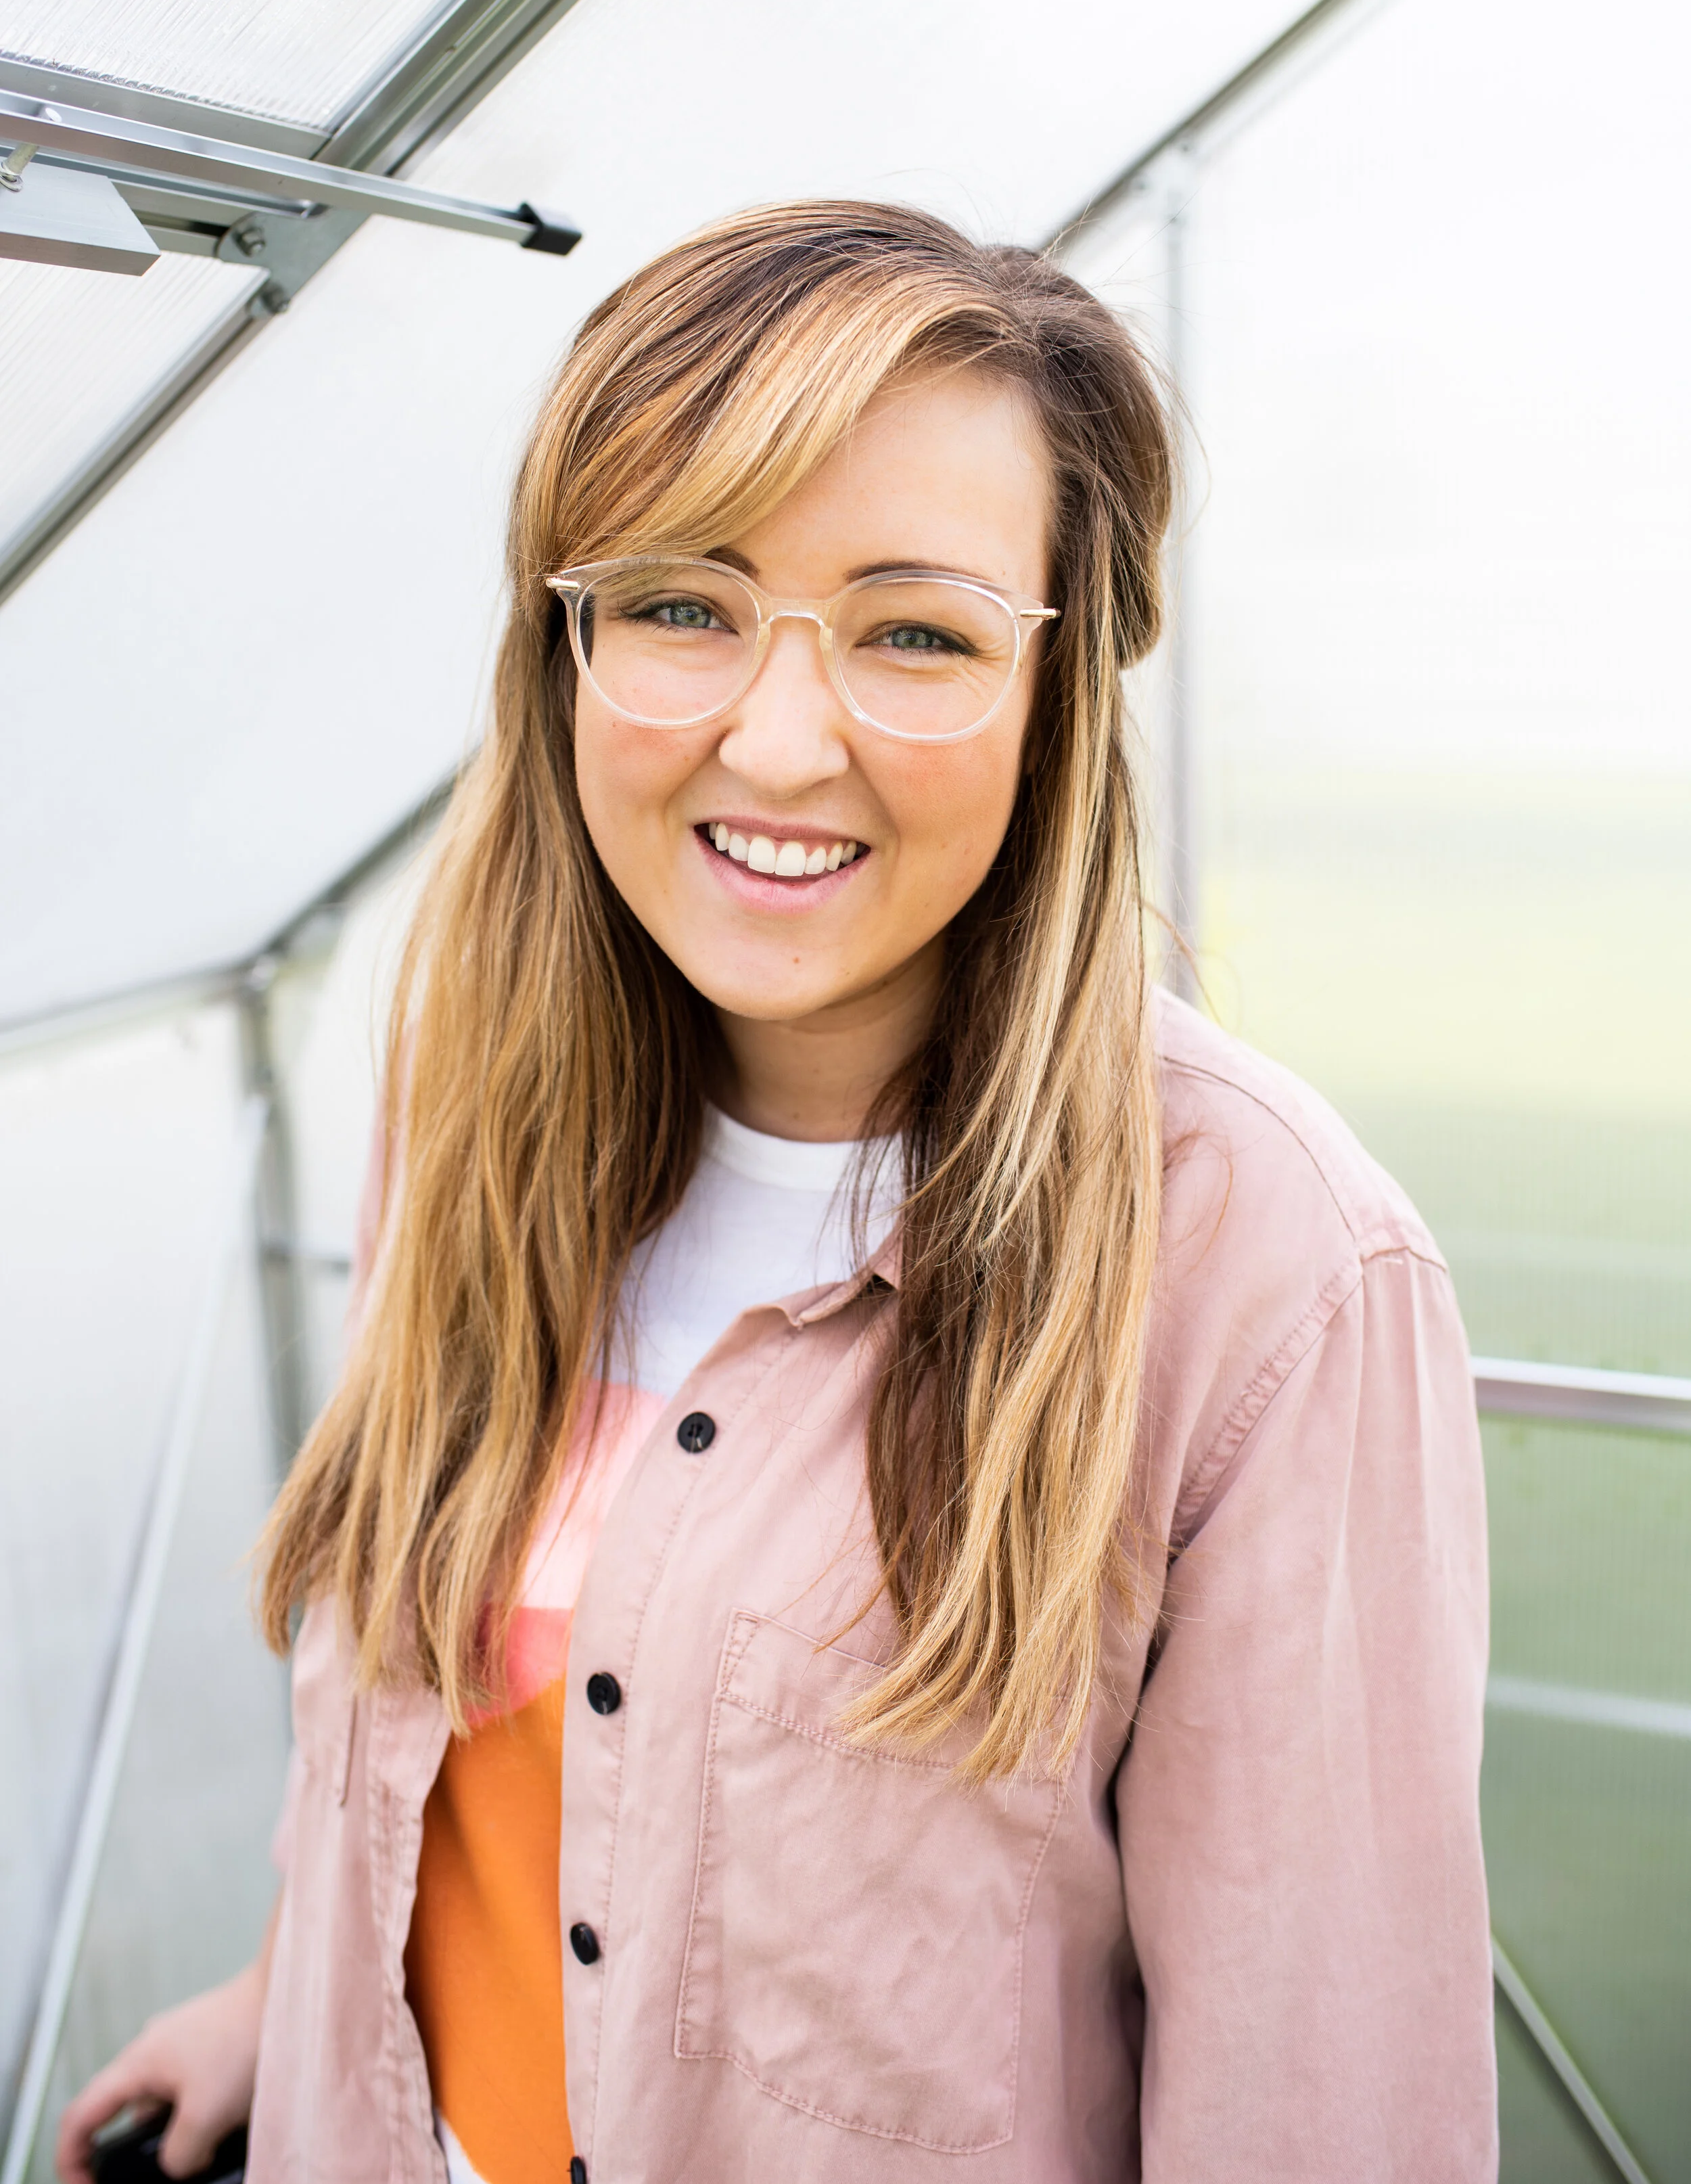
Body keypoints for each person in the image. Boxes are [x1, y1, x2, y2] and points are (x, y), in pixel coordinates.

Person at [60, 201, 1496, 2184]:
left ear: (1054, 695)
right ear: (561, 638)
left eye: (915, 632)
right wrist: (291, 1989)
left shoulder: (1265, 1265)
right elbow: (441, 1727)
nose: (780, 737)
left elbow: (1316, 2101)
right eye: (682, 603)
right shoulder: (470, 1086)